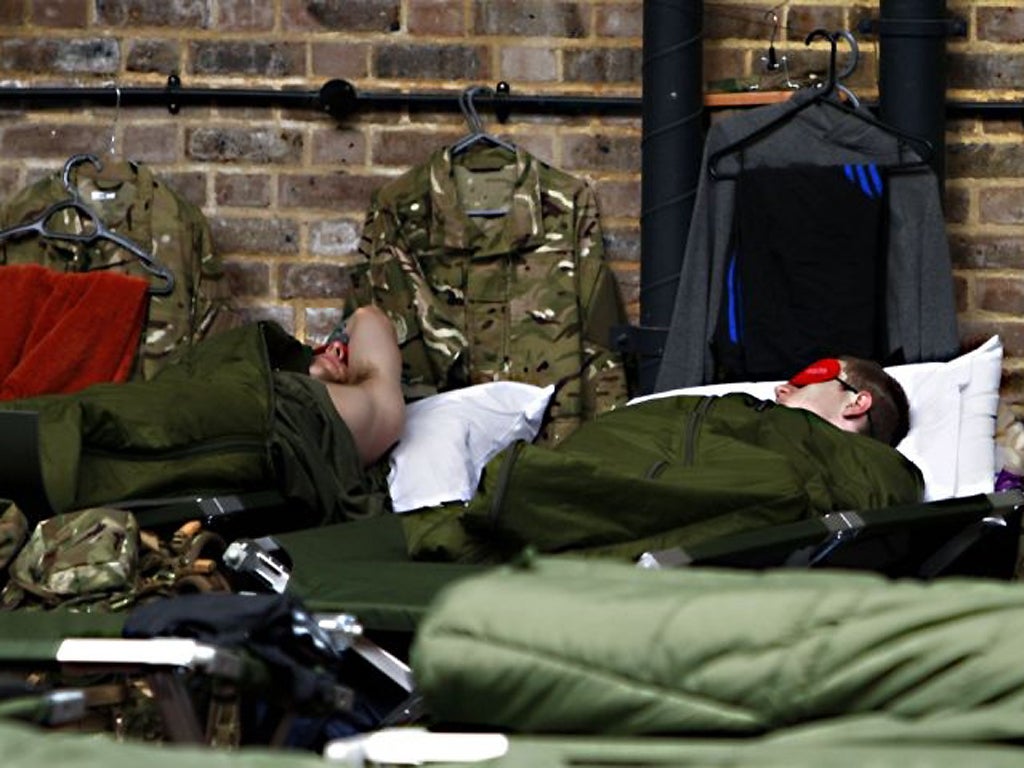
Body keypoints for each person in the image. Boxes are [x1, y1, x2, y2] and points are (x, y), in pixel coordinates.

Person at [402, 354, 923, 563]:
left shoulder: (870, 469)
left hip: (561, 509)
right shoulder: (750, 417)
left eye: (818, 372)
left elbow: (772, 494)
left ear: (857, 401)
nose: (792, 378)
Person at [0, 305, 405, 526]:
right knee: (107, 409)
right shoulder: (271, 374)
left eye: (346, 354)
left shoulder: (350, 410)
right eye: (330, 346)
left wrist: (332, 351)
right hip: (209, 394)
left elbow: (370, 317)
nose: (336, 352)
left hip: (255, 418)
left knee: (103, 427)